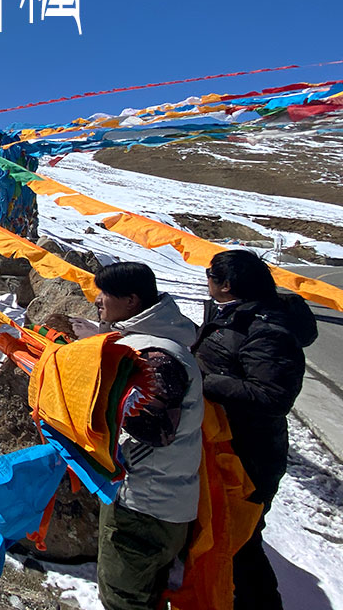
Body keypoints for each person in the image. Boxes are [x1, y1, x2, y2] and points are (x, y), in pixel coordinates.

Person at [193, 250, 317, 609]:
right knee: (224, 533)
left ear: (227, 285)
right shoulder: (236, 314)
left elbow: (272, 396)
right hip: (227, 442)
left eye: (210, 274)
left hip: (251, 452)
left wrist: (205, 381)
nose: (207, 279)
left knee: (241, 539)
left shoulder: (267, 329)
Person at [85, 262, 204, 610]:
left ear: (132, 300)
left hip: (143, 503)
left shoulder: (156, 356)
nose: (98, 300)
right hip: (160, 496)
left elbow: (154, 427)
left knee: (124, 597)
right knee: (147, 593)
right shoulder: (156, 341)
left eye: (106, 294)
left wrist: (96, 391)